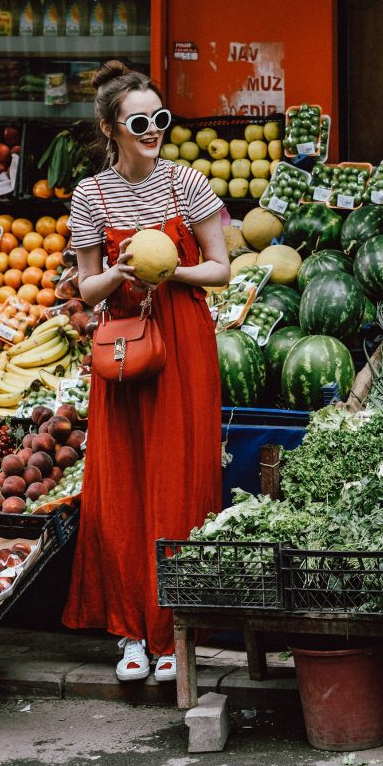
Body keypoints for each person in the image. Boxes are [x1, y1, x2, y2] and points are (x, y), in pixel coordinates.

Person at [62, 60, 230, 682]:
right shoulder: (91, 195)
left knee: (179, 478)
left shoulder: (186, 183)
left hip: (184, 336)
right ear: (112, 127)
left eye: (160, 118)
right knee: (125, 482)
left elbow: (221, 269)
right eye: (140, 120)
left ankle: (173, 633)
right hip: (125, 345)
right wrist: (123, 273)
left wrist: (169, 271)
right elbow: (86, 287)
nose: (154, 129)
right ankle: (132, 631)